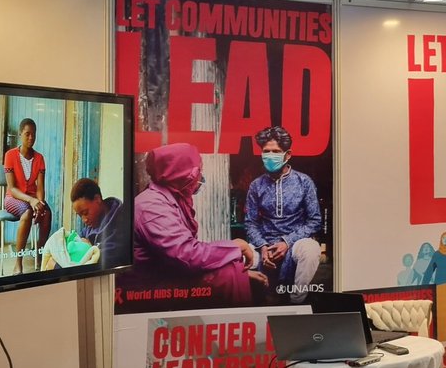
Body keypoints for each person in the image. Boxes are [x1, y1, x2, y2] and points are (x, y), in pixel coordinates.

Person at [132, 143, 267, 305]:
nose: (200, 176)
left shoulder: (171, 199)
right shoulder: (152, 206)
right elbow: (188, 255)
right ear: (184, 175)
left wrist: (241, 272)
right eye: (198, 170)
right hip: (149, 290)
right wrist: (236, 246)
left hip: (169, 276)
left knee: (233, 269)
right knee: (229, 273)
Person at [244, 126, 322, 302]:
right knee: (237, 256)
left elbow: (314, 221)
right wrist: (263, 246)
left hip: (294, 243)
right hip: (263, 244)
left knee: (311, 249)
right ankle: (248, 305)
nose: (270, 155)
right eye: (266, 151)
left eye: (276, 151)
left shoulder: (304, 182)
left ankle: (297, 301)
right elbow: (250, 222)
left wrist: (287, 242)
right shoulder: (256, 185)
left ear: (287, 155)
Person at [3, 117, 51, 273]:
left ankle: (40, 254)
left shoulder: (40, 158)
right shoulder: (10, 155)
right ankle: (18, 262)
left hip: (33, 198)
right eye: (27, 134)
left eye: (34, 134)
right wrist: (31, 201)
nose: (31, 138)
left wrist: (40, 203)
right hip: (13, 198)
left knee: (47, 213)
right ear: (20, 134)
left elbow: (40, 188)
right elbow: (12, 188)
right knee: (27, 212)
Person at [70, 178, 132, 268]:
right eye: (80, 216)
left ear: (97, 199)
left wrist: (88, 248)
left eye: (85, 213)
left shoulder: (120, 224)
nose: (84, 220)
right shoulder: (91, 224)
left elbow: (101, 262)